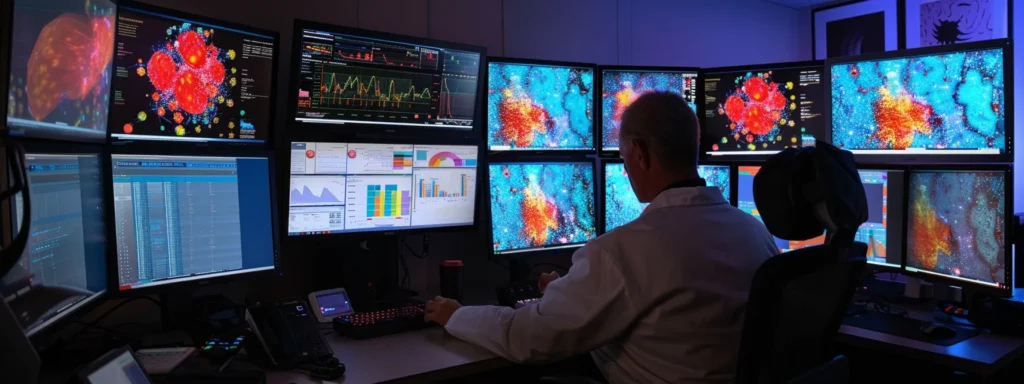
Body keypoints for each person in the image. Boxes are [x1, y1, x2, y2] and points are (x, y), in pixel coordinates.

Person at [425, 91, 779, 384]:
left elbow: (530, 338)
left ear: (640, 153)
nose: (626, 169)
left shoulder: (623, 250)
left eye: (624, 158)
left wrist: (457, 315)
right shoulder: (756, 234)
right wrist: (570, 290)